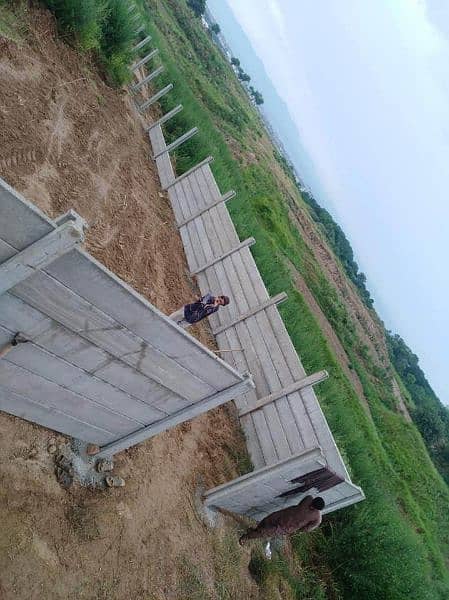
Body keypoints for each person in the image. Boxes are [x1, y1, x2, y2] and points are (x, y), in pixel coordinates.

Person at [239, 495, 325, 545]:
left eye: (313, 508)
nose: (311, 507)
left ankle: (246, 537)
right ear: (313, 500)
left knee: (265, 532)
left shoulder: (317, 518)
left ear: (317, 509)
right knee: (266, 521)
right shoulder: (308, 498)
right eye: (311, 505)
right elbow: (299, 505)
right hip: (283, 514)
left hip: (286, 527)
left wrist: (297, 527)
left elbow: (306, 529)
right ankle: (254, 531)